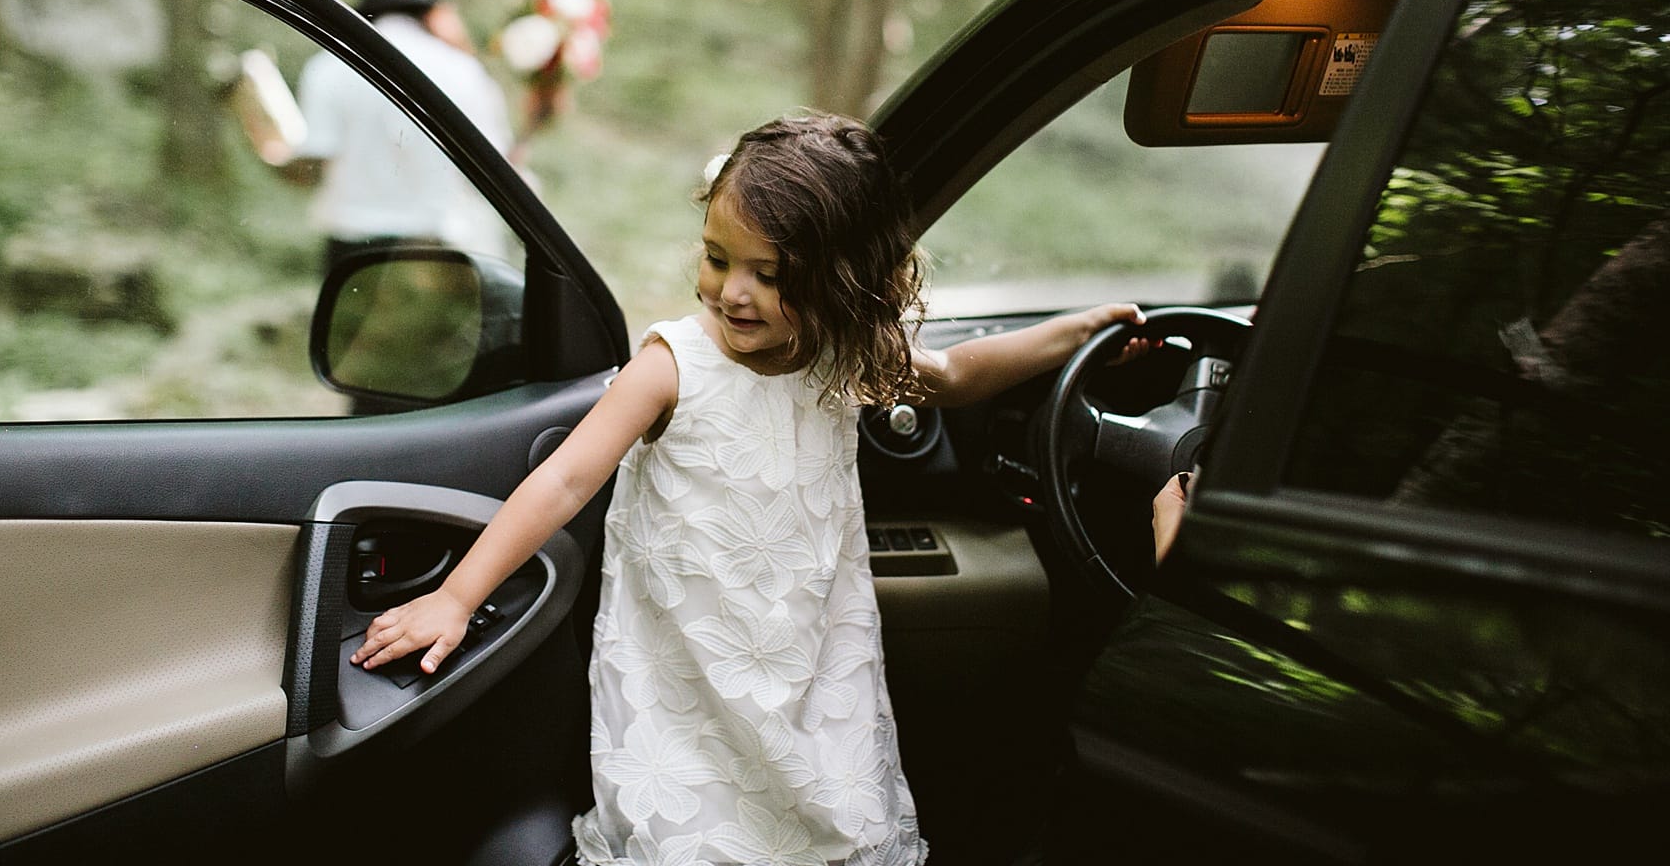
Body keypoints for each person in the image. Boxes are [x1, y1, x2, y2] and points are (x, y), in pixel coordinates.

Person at [351, 113, 1148, 865]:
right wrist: (454, 599)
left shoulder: (843, 354)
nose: (732, 291)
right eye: (717, 257)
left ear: (843, 283)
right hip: (688, 677)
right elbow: (563, 479)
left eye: (769, 275)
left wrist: (1079, 333)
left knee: (827, 826)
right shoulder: (673, 365)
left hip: (812, 665)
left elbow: (957, 374)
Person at [287, 0, 517, 273]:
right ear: (426, 9)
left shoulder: (327, 68)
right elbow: (496, 166)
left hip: (353, 248)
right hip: (435, 248)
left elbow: (314, 162)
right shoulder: (464, 70)